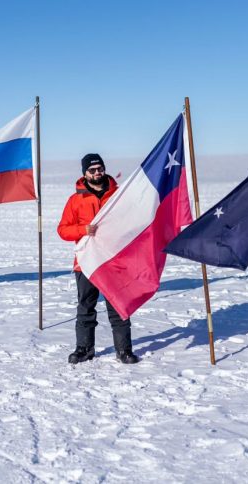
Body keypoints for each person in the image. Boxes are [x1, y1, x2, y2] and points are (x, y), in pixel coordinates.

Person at [57, 153, 141, 365]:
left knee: (118, 304)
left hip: (114, 260)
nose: (97, 173)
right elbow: (63, 231)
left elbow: (132, 220)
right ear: (85, 173)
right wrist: (83, 230)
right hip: (86, 262)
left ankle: (124, 350)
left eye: (100, 169)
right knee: (86, 306)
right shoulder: (75, 200)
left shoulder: (118, 196)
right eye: (92, 170)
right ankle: (84, 349)